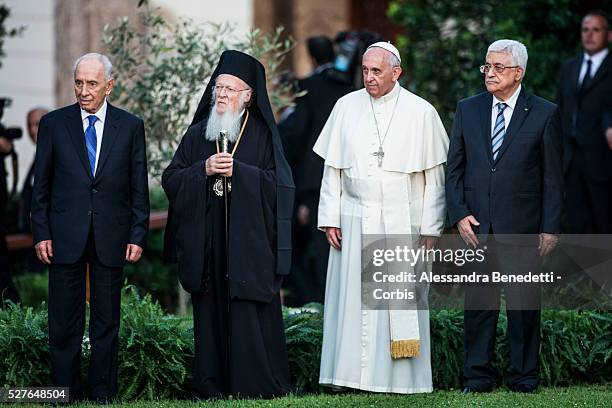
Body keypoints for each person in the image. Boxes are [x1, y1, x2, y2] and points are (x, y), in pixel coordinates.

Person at [314, 42, 449, 393]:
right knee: (351, 302)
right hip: (354, 218)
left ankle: (399, 379)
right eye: (365, 70)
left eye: (376, 71)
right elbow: (333, 170)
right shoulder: (345, 106)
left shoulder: (421, 112)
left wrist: (431, 228)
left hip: (403, 219)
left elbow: (433, 179)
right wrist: (330, 217)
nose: (369, 78)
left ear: (396, 72)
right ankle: (347, 377)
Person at [162, 50, 294, 399]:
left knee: (248, 316)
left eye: (230, 90)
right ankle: (211, 385)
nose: (221, 95)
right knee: (209, 317)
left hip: (248, 247)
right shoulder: (197, 137)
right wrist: (202, 170)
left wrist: (242, 173)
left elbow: (280, 187)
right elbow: (171, 180)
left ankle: (254, 385)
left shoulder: (264, 138)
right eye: (218, 88)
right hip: (208, 245)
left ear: (248, 96)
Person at [445, 39, 563, 394]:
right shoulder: (468, 109)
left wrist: (550, 228)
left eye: (498, 67)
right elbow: (455, 169)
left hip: (524, 227)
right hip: (477, 227)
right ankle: (477, 376)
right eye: (487, 66)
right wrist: (460, 215)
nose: (490, 73)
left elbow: (552, 177)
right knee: (478, 306)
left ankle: (524, 378)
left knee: (524, 307)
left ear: (518, 73)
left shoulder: (544, 113)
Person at [31, 52, 150, 402]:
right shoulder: (54, 124)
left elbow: (137, 186)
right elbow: (42, 187)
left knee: (106, 323)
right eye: (79, 82)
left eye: (92, 83)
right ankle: (63, 393)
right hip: (64, 237)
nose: (83, 90)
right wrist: (42, 232)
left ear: (109, 85)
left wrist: (138, 233)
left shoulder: (130, 126)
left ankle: (103, 393)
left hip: (111, 236)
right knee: (63, 324)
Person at [279, 35, 352, 306]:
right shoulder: (349, 85)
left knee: (319, 248)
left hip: (314, 179)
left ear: (310, 57)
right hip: (349, 174)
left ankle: (321, 303)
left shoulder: (308, 86)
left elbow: (299, 133)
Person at [557, 10, 612, 233]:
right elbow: (560, 110)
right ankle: (586, 269)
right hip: (572, 164)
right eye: (585, 29)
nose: (589, 35)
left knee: (606, 225)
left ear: (608, 35)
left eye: (596, 30)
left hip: (605, 162)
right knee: (579, 228)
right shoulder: (569, 67)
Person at [19, 107, 48, 234]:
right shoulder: (38, 156)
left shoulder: (57, 155)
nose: (32, 130)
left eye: (37, 124)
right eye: (29, 125)